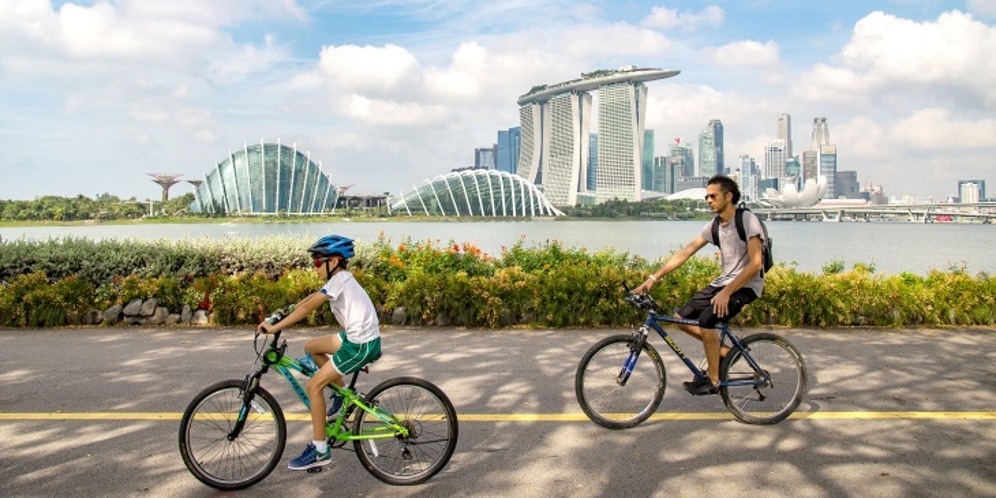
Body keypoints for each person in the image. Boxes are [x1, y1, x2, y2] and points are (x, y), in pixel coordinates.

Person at [256, 234, 382, 470]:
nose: (314, 267)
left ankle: (320, 449)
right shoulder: (339, 279)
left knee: (314, 386)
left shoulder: (340, 280)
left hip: (360, 344)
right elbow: (311, 298)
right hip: (356, 337)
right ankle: (343, 394)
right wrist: (285, 311)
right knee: (312, 347)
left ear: (333, 261)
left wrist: (275, 327)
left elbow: (307, 307)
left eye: (317, 262)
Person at [634, 175, 765, 395]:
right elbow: (685, 253)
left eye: (713, 196)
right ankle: (725, 352)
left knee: (706, 322)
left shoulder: (747, 220)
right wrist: (653, 278)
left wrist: (727, 292)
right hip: (722, 284)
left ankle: (713, 380)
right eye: (707, 196)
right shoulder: (714, 225)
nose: (708, 200)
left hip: (746, 286)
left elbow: (756, 264)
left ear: (729, 196)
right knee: (680, 319)